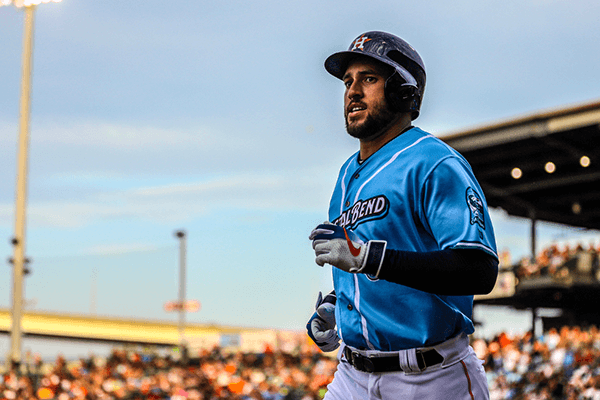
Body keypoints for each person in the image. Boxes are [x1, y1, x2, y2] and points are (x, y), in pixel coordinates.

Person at [306, 31, 499, 400]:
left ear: (404, 92)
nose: (352, 91)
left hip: (430, 376)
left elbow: (478, 270)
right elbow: (379, 263)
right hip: (352, 373)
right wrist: (338, 303)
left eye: (369, 79)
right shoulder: (347, 173)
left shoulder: (434, 161)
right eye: (348, 81)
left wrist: (367, 259)